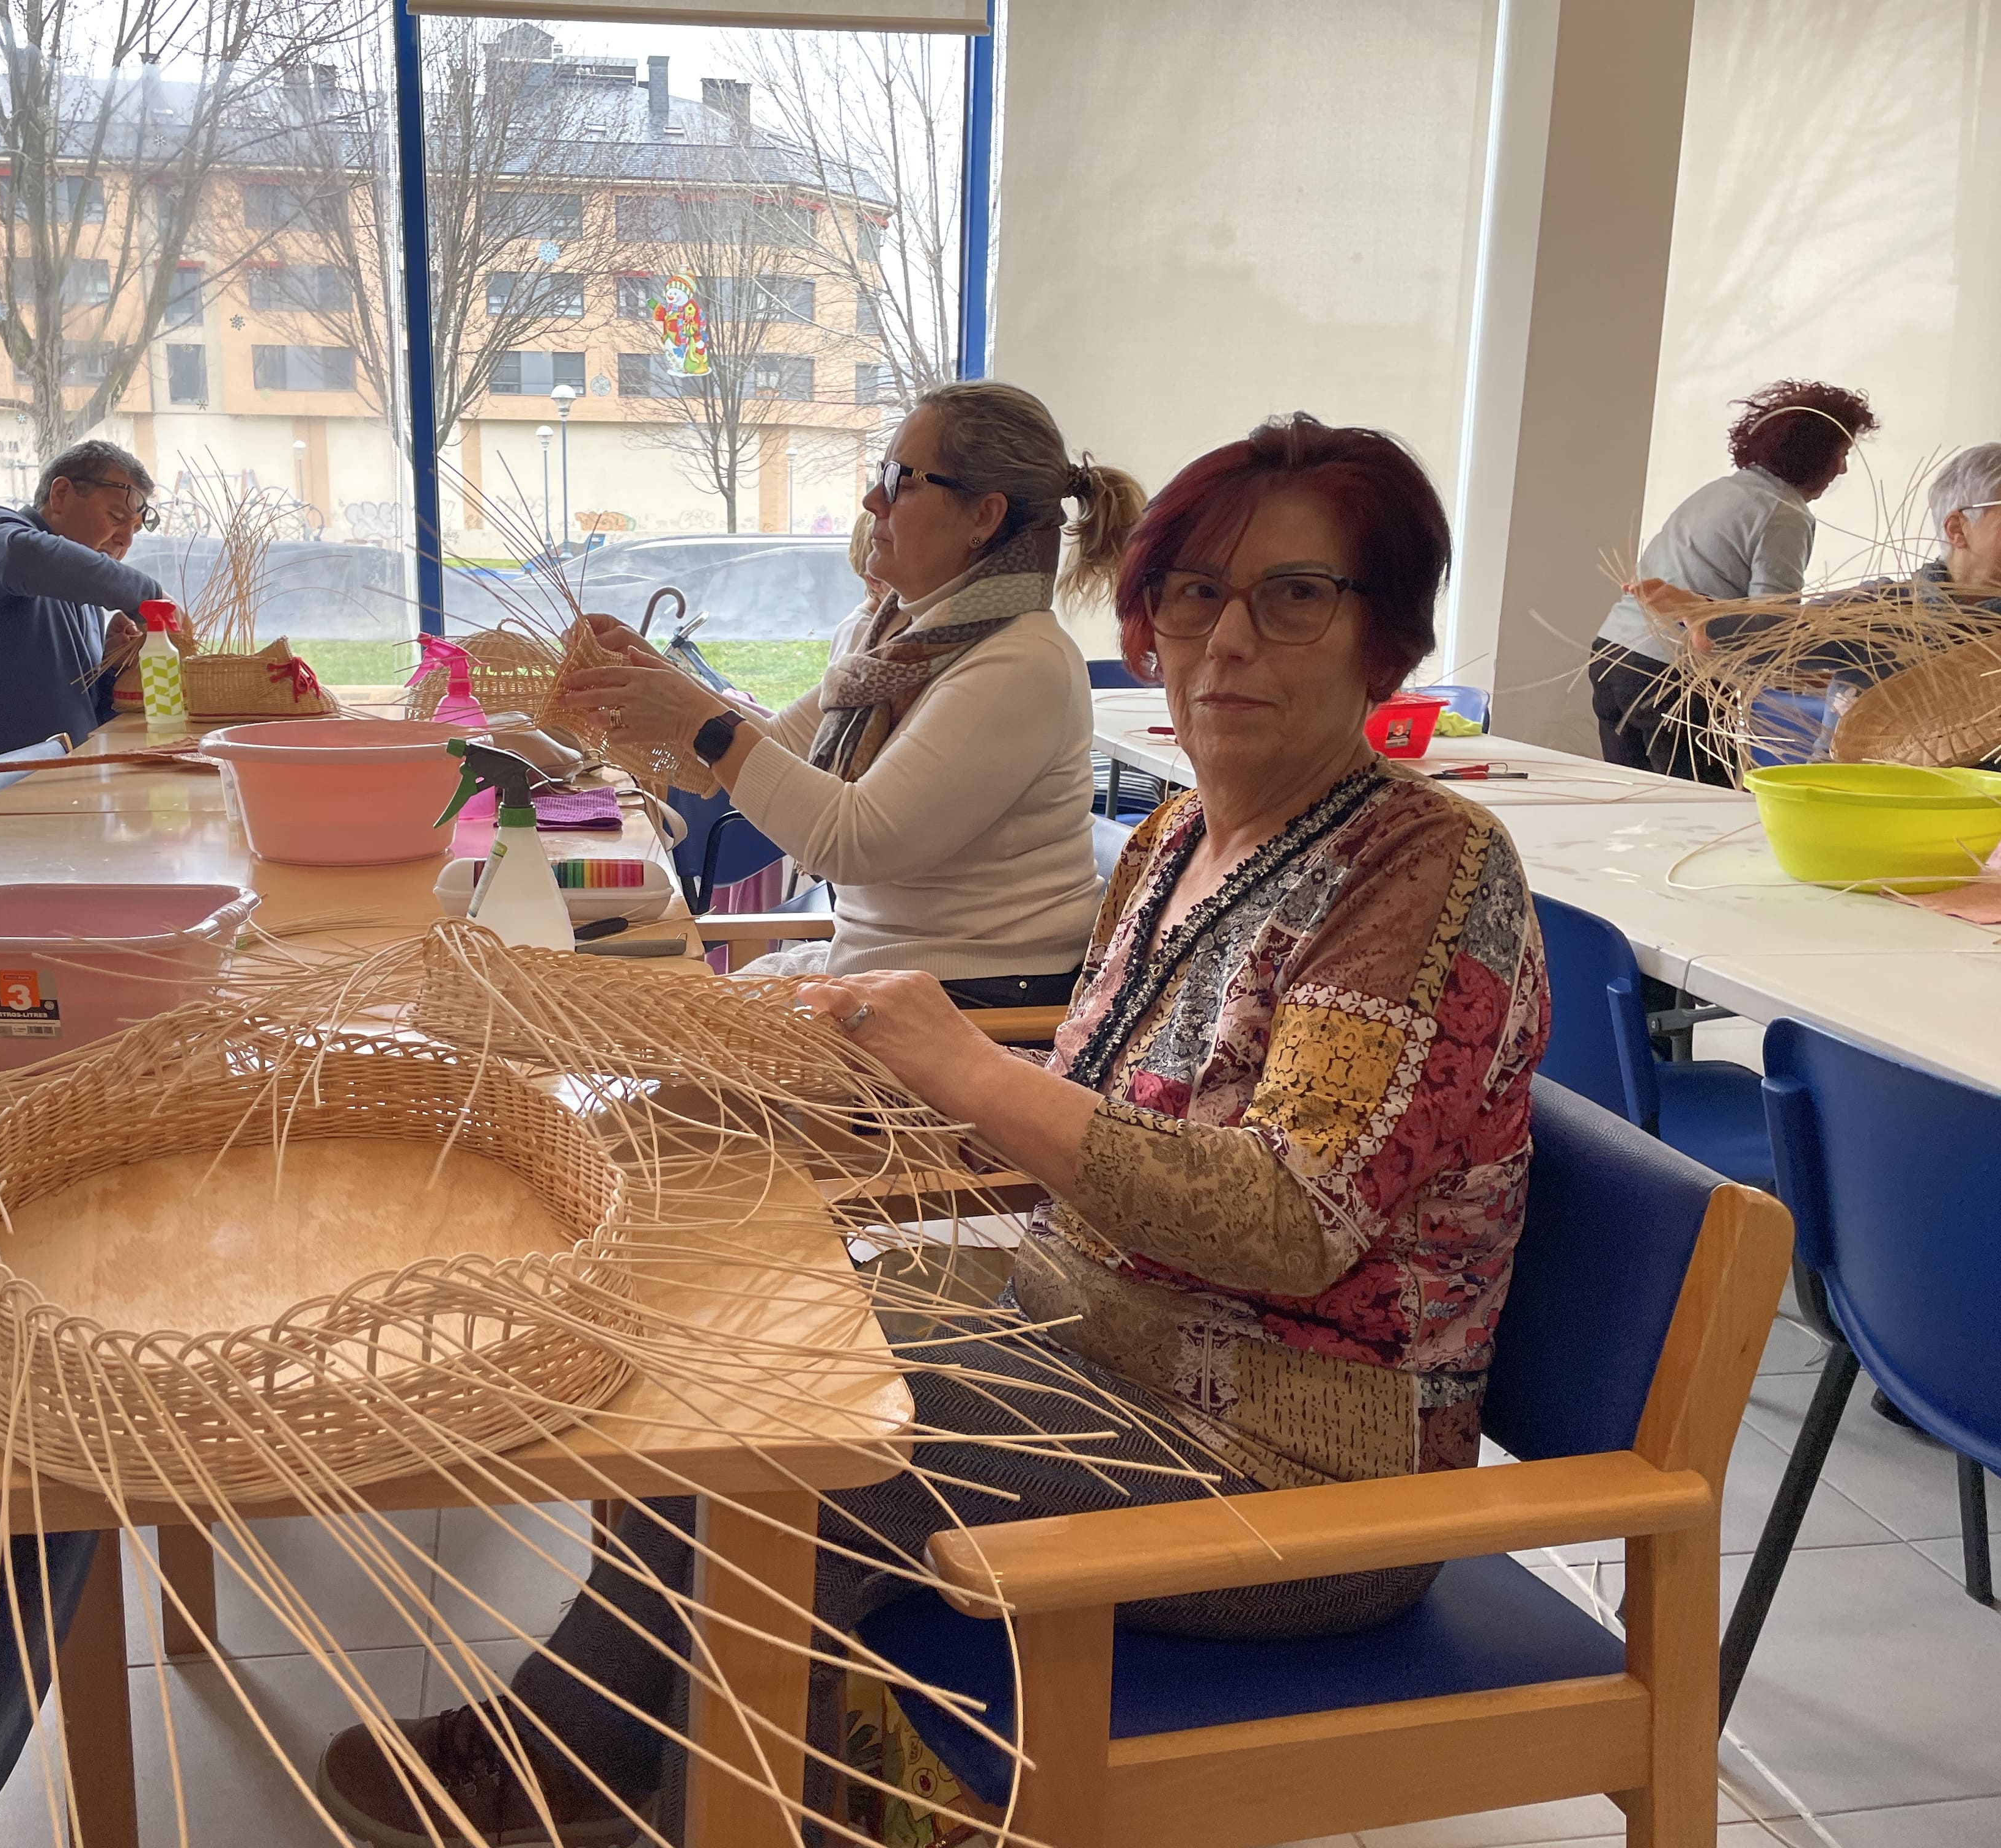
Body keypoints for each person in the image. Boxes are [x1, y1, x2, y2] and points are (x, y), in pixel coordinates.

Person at [315, 415, 1550, 1841]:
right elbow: (1107, 1106)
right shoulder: (1178, 837)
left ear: (1382, 637)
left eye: (1295, 597)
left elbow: (1289, 1222)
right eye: (1198, 594)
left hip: (1287, 1457)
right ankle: (630, 1753)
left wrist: (961, 1071)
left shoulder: (1421, 869)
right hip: (1094, 1328)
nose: (1229, 641)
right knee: (722, 1322)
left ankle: (651, 1784)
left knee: (797, 1427)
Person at [551, 381, 1143, 1010]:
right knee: (636, 1033)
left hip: (976, 1008)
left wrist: (698, 721)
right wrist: (665, 687)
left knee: (644, 1063)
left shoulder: (1023, 664)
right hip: (886, 978)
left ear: (984, 516)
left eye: (902, 479)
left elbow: (850, 842)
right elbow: (780, 748)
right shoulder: (895, 636)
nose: (871, 499)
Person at [1590, 378, 1878, 781]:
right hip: (1677, 679)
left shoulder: (1719, 492)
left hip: (1612, 655)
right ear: (1815, 456)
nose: (1843, 468)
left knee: (1634, 803)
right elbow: (1769, 625)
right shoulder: (1784, 513)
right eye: (1842, 454)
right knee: (1703, 815)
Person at [0, 439, 167, 790]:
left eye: (135, 530)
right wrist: (151, 598)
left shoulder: (79, 594)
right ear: (61, 494)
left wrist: (114, 667)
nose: (124, 541)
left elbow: (85, 719)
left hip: (60, 796)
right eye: (116, 518)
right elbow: (22, 555)